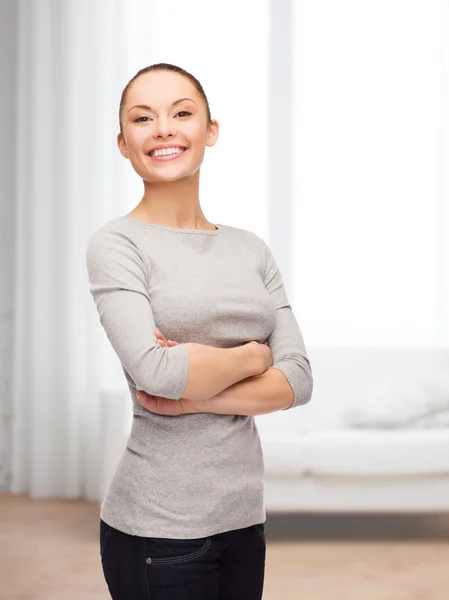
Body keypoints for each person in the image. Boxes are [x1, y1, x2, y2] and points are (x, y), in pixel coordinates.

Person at [85, 63, 313, 600]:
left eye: (181, 113)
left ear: (210, 131)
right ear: (124, 143)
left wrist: (193, 398)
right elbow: (157, 372)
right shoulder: (116, 244)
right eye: (144, 118)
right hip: (156, 529)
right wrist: (255, 357)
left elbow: (299, 381)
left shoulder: (251, 249)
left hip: (242, 518)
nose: (163, 128)